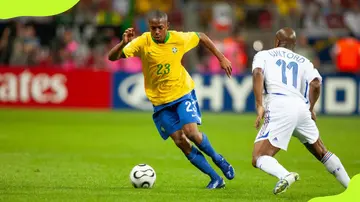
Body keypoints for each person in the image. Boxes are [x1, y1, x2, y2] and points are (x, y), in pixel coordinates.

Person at [108, 10, 235, 189]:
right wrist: (123, 43)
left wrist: (221, 58)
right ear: (149, 28)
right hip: (160, 103)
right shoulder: (143, 41)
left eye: (160, 28)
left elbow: (202, 36)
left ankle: (218, 159)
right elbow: (112, 57)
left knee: (191, 132)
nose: (157, 32)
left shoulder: (179, 38)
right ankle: (215, 178)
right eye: (153, 28)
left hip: (182, 93)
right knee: (180, 142)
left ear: (167, 26)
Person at [251, 27, 351, 194]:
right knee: (321, 151)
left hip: (279, 105)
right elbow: (316, 83)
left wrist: (259, 104)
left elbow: (258, 72)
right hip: (301, 106)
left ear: (276, 42)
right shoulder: (304, 61)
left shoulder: (264, 55)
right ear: (294, 45)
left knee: (258, 157)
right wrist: (311, 108)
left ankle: (285, 175)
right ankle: (350, 187)